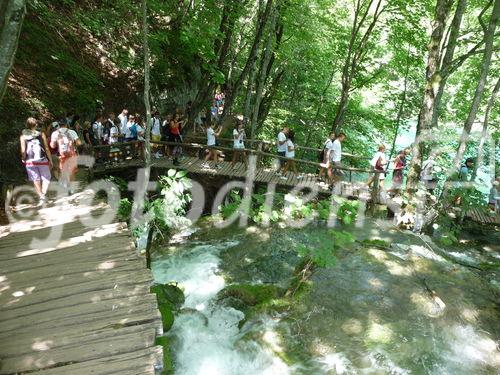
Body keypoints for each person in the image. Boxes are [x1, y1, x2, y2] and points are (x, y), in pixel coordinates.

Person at [20, 118, 53, 205]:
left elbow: (23, 150)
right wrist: (50, 160)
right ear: (36, 125)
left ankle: (41, 196)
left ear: (26, 125)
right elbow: (46, 148)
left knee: (35, 179)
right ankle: (43, 193)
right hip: (42, 160)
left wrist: (23, 158)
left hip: (30, 161)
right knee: (47, 178)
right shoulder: (41, 134)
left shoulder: (23, 136)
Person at [50, 119, 81, 193]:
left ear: (59, 125)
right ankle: (72, 189)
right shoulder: (72, 132)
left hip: (62, 155)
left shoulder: (55, 133)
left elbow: (52, 146)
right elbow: (79, 143)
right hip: (71, 154)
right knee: (72, 171)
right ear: (67, 124)